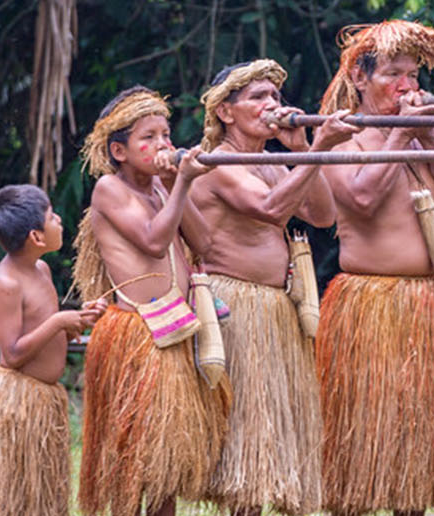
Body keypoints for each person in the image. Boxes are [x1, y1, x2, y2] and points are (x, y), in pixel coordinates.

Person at [313, 21, 434, 516]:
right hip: (369, 305)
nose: (408, 86)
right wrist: (402, 132)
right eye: (394, 74)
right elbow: (362, 198)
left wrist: (428, 133)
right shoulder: (339, 140)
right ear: (360, 78)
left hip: (431, 305)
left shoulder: (417, 135)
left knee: (417, 444)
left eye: (413, 75)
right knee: (366, 441)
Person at [187, 59, 357, 516]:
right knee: (243, 441)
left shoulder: (271, 162)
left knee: (269, 442)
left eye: (275, 98)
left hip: (276, 311)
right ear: (226, 111)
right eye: (257, 97)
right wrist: (320, 147)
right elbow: (266, 208)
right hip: (234, 310)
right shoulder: (217, 160)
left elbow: (322, 216)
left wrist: (303, 147)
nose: (271, 106)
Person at [71, 86, 228, 516]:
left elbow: (204, 240)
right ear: (119, 150)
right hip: (136, 334)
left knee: (164, 461)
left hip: (171, 330)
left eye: (166, 134)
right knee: (132, 458)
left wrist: (178, 180)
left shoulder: (163, 187)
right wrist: (180, 186)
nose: (163, 144)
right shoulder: (109, 188)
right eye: (149, 137)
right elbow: (155, 241)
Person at [0, 184, 104, 516]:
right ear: (36, 237)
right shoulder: (6, 283)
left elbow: (42, 329)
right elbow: (12, 353)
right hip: (19, 400)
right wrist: (59, 322)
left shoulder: (40, 270)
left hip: (45, 399)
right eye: (52, 216)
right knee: (13, 497)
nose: (59, 220)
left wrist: (77, 322)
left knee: (45, 497)